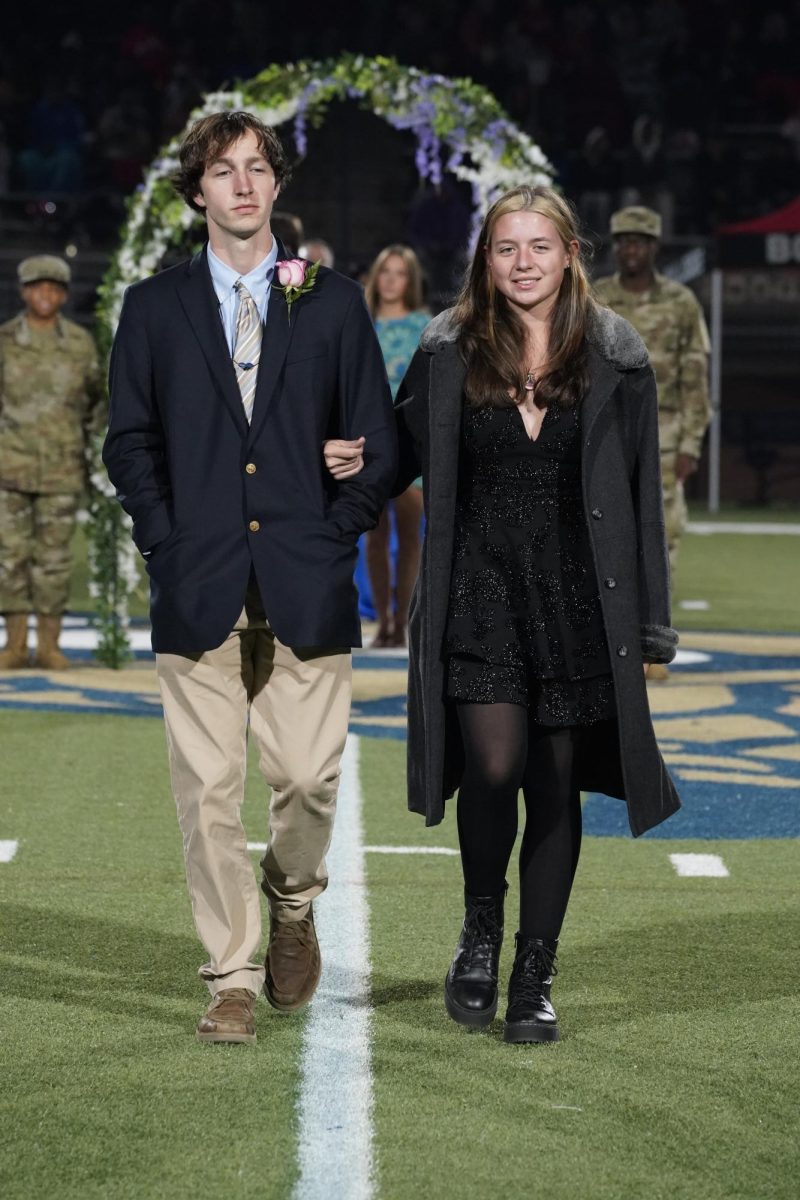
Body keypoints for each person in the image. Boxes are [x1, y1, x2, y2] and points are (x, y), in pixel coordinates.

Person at [326, 186, 679, 1044]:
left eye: (539, 247)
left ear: (570, 255)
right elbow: (397, 448)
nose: (522, 263)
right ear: (486, 260)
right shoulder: (448, 350)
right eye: (505, 248)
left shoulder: (618, 357)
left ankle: (534, 974)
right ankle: (480, 931)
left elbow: (641, 500)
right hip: (476, 592)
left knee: (555, 786)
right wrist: (352, 460)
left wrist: (654, 626)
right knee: (491, 766)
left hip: (577, 600)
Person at [103, 110, 396, 1045]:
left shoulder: (334, 302)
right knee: (208, 792)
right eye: (224, 170)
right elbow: (129, 442)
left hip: (305, 582)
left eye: (258, 168)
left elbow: (379, 444)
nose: (243, 183)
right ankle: (229, 973)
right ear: (197, 191)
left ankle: (293, 905)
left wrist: (338, 528)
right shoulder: (153, 307)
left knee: (309, 780)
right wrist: (164, 540)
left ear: (277, 185)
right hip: (199, 586)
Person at [0, 255, 104, 671]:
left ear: (62, 294)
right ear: (24, 292)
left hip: (61, 470)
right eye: (37, 286)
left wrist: (85, 444)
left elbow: (98, 401)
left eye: (53, 287)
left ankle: (49, 645)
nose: (45, 294)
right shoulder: (4, 340)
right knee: (9, 558)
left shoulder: (80, 343)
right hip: (9, 469)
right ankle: (14, 645)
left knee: (55, 560)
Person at [593, 208, 711, 571]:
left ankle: (657, 615)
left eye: (640, 243)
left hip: (666, 431)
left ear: (654, 247)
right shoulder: (595, 298)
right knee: (605, 518)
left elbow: (695, 374)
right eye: (624, 242)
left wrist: (692, 442)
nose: (631, 250)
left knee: (664, 524)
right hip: (607, 429)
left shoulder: (681, 301)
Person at [362, 245, 429, 647]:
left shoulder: (425, 326)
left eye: (399, 273)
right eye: (384, 271)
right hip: (366, 441)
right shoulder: (359, 322)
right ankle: (382, 621)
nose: (390, 280)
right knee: (373, 534)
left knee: (409, 535)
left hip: (407, 441)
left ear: (411, 280)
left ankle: (403, 624)